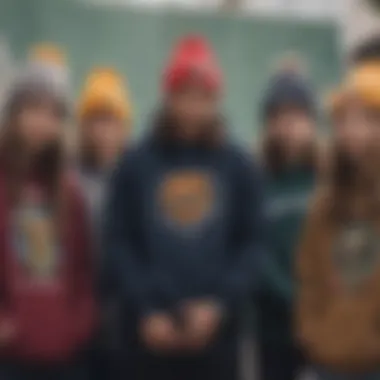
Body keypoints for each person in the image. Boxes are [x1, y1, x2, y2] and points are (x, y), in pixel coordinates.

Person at [105, 34, 266, 380]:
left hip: (216, 340)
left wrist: (219, 304)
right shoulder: (136, 164)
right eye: (184, 94)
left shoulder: (238, 166)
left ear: (215, 99)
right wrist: (146, 308)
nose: (193, 106)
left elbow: (252, 243)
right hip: (148, 339)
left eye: (203, 96)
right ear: (168, 96)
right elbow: (118, 242)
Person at [0, 63, 97, 379]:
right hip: (10, 357)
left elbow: (84, 273)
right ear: (14, 113)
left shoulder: (70, 192)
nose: (43, 121)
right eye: (34, 108)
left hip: (62, 357)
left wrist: (72, 328)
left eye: (54, 113)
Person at [296, 62, 380, 380]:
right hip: (327, 362)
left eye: (368, 118)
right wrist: (315, 335)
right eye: (344, 119)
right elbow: (308, 278)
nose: (352, 129)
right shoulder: (324, 205)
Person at [254, 67, 319, 380]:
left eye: (296, 115)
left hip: (327, 325)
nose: (287, 125)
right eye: (277, 116)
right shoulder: (256, 180)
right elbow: (255, 250)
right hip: (274, 328)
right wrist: (292, 298)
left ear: (311, 121)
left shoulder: (329, 178)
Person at [76, 67, 132, 379]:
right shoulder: (69, 179)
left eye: (111, 121)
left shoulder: (135, 179)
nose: (103, 131)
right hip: (79, 325)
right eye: (95, 120)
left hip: (125, 323)